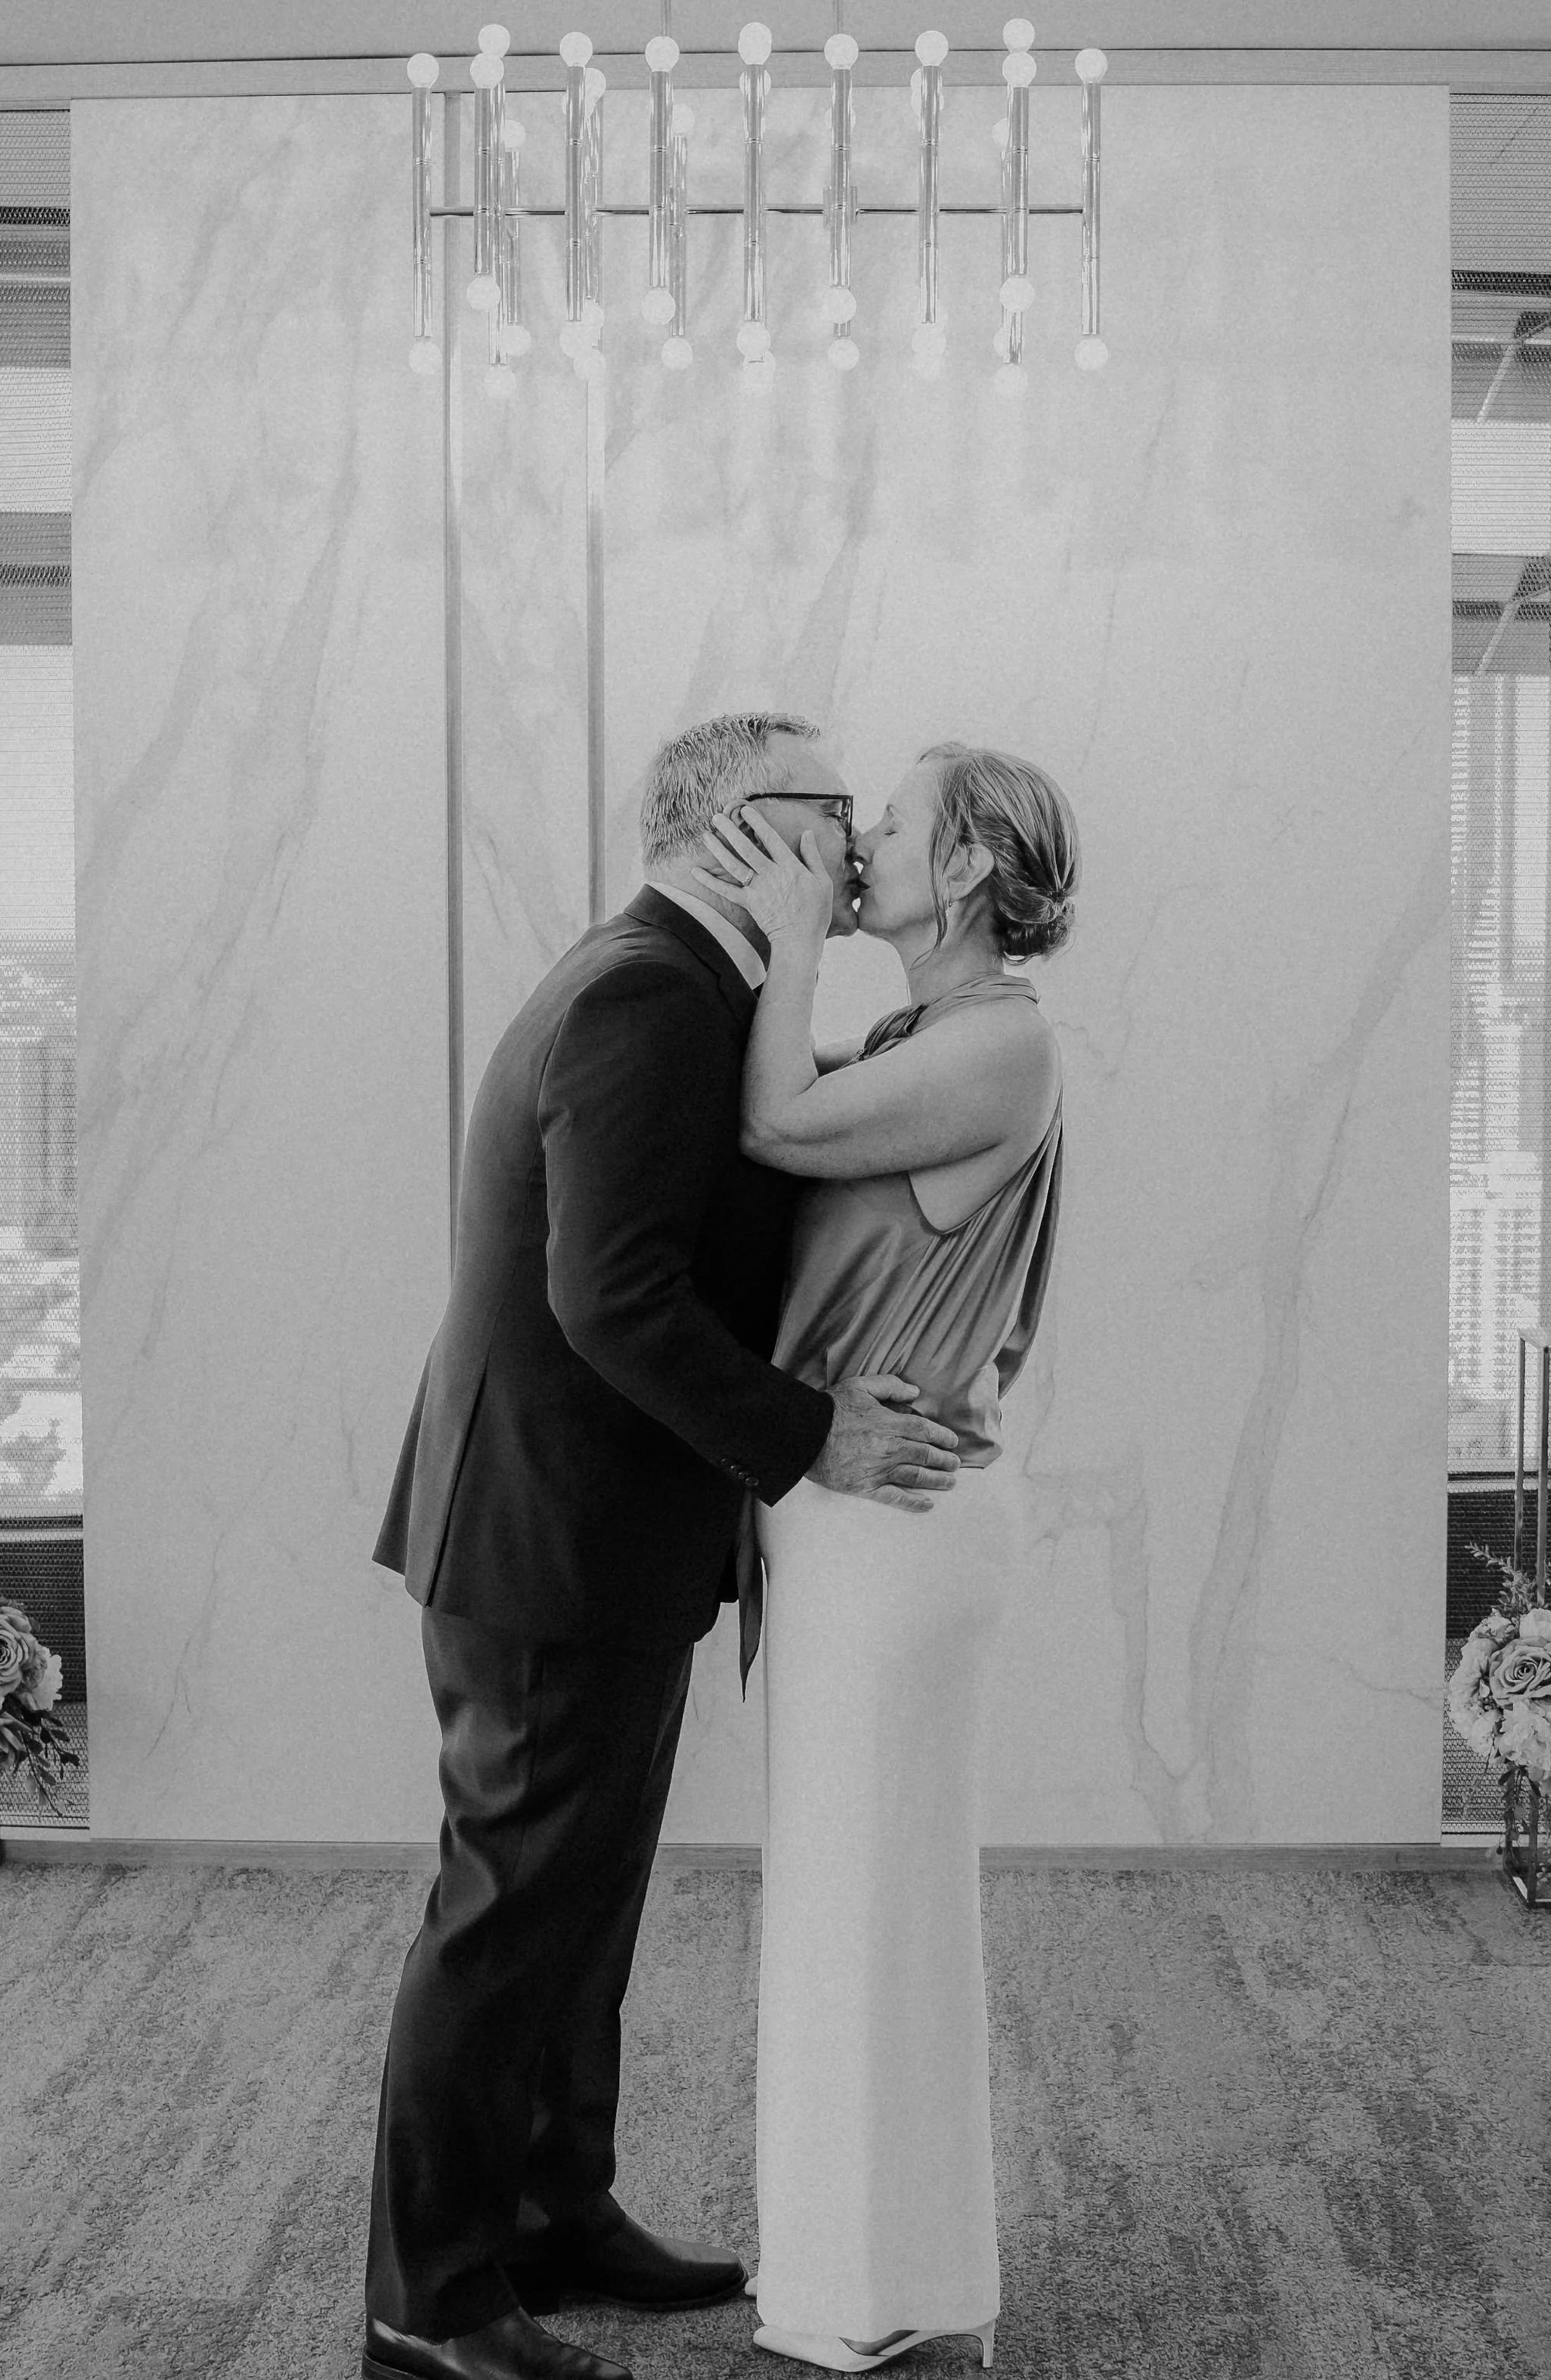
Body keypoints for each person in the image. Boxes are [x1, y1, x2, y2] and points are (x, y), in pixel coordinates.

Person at [360, 712, 963, 2380]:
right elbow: (610, 1296)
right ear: (737, 829)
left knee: (580, 1903)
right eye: (832, 813)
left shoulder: (699, 987)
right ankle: (431, 2296)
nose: (854, 844)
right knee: (507, 1912)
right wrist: (811, 1433)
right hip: (547, 1533)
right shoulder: (646, 992)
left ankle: (559, 2211)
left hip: (594, 1528)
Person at [688, 740, 1078, 2376]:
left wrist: (782, 930)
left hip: (892, 1525)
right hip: (864, 1516)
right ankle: (881, 2274)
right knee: (859, 1904)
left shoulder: (999, 1046)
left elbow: (773, 1120)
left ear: (974, 868)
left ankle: (865, 2294)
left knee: (866, 1909)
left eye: (896, 827)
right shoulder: (925, 1033)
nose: (858, 847)